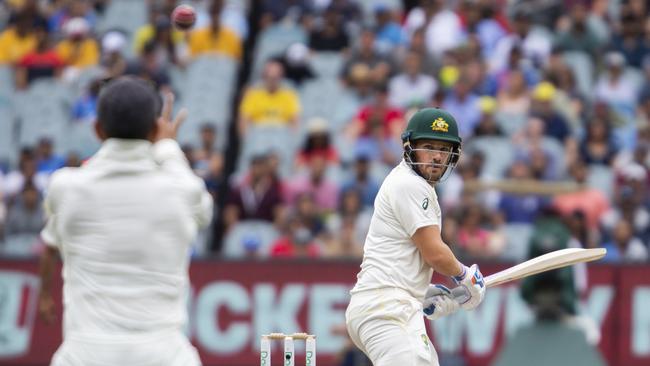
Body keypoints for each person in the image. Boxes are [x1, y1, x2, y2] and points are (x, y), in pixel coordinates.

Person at [37, 76, 213, 366]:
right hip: (164, 356)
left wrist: (45, 294)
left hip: (83, 357)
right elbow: (202, 209)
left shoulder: (64, 187)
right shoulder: (183, 189)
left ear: (96, 129)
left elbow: (50, 246)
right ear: (156, 129)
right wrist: (168, 146)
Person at [345, 108, 486, 366]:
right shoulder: (410, 184)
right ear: (409, 147)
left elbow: (407, 254)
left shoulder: (415, 186)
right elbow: (435, 253)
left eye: (444, 150)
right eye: (429, 147)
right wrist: (466, 277)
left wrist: (423, 292)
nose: (436, 156)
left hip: (393, 306)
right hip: (385, 309)